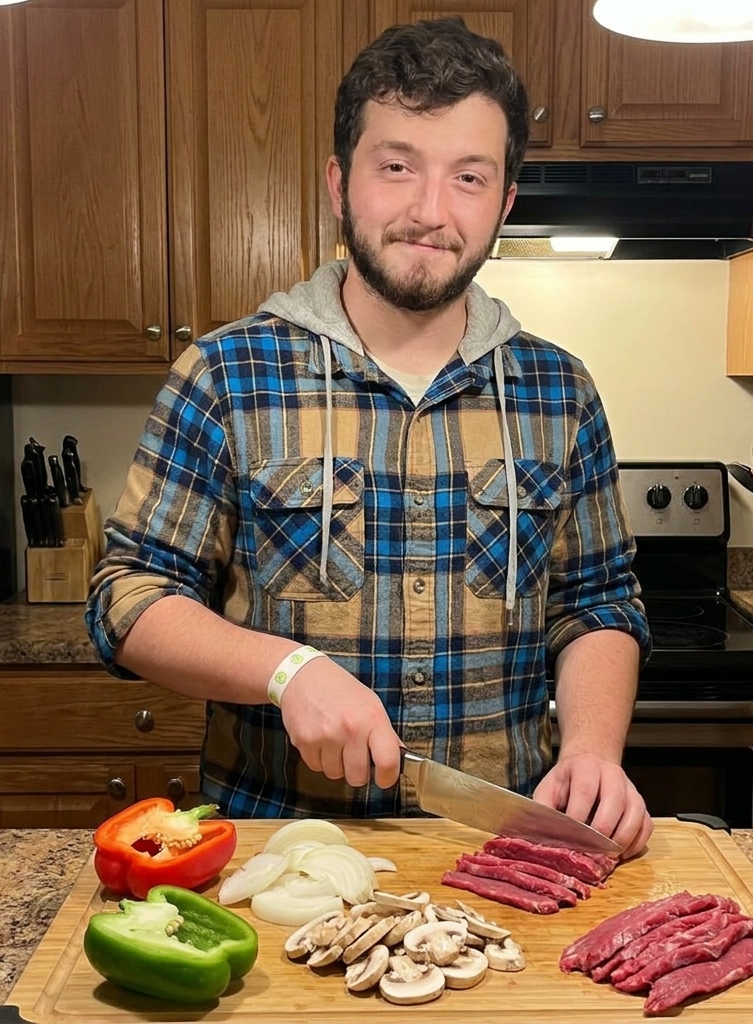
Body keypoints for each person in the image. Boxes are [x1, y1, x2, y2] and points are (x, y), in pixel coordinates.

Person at [86, 17, 653, 858]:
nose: (431, 212)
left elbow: (598, 602)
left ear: (503, 203)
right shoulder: (226, 374)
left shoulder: (558, 391)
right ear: (339, 181)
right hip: (277, 855)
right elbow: (126, 598)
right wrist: (288, 672)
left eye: (468, 177)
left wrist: (593, 751)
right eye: (397, 167)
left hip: (503, 861)